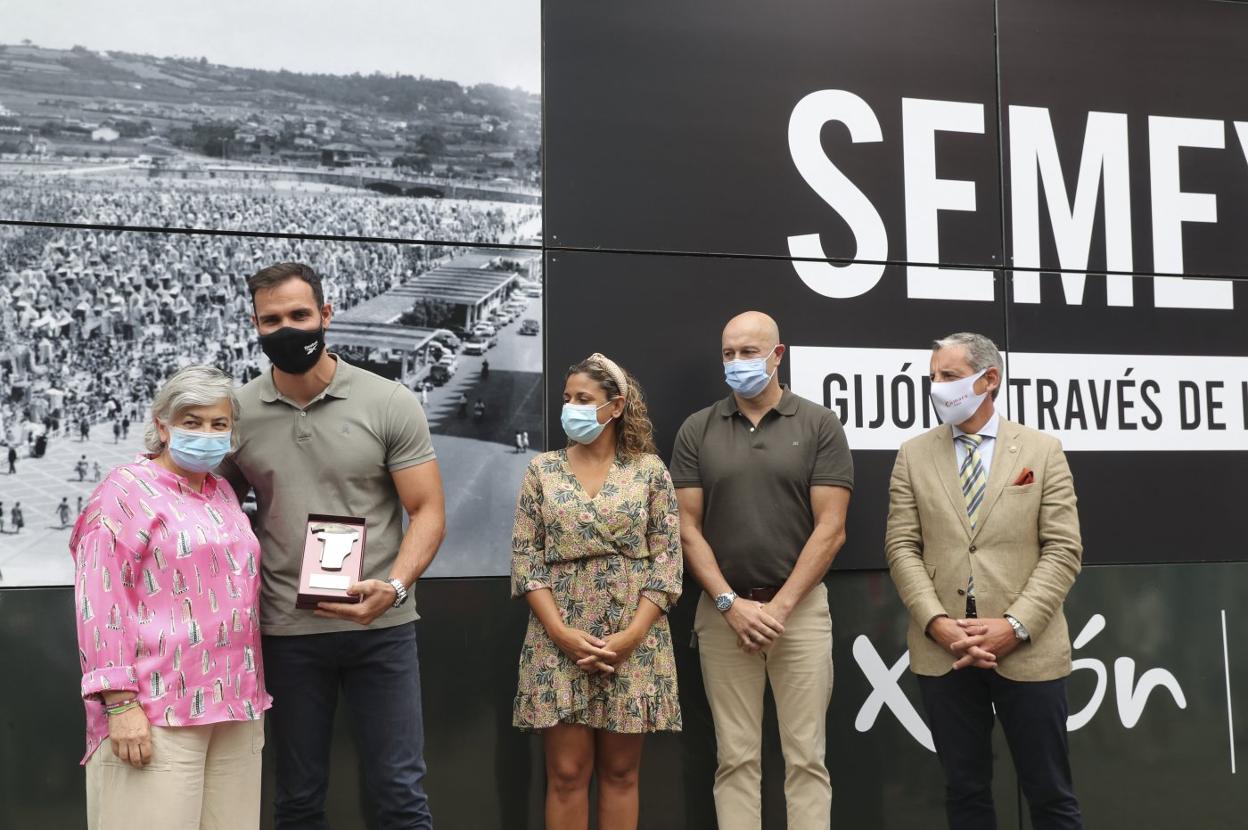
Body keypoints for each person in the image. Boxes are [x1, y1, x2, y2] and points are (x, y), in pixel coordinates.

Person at [218, 262, 446, 830]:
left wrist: (392, 588)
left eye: (299, 314)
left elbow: (428, 512)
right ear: (255, 325)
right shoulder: (237, 414)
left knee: (400, 796)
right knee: (297, 800)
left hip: (382, 630)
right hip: (286, 634)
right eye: (272, 319)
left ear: (325, 315)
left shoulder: (389, 401)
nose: (288, 328)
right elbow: (206, 511)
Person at [885, 332, 1083, 829]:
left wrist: (1013, 626)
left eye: (948, 376)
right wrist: (938, 624)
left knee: (1051, 795)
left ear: (988, 379)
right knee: (966, 794)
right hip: (945, 654)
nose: (937, 387)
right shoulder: (912, 454)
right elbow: (901, 547)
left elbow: (1063, 550)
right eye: (932, 377)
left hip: (1029, 650)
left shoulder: (1042, 450)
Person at [670, 311, 852, 830]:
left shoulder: (819, 424)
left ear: (778, 355)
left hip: (800, 614)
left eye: (749, 352)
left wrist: (779, 608)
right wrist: (731, 605)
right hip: (723, 615)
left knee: (807, 760)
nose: (736, 362)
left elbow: (831, 529)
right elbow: (686, 529)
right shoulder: (697, 428)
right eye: (728, 353)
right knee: (735, 759)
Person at [71, 365, 271, 830]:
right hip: (156, 710)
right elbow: (100, 603)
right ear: (162, 425)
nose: (207, 433)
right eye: (192, 422)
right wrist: (120, 705)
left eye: (219, 424)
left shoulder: (221, 491)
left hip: (236, 705)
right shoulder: (123, 492)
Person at [511, 353, 682, 830]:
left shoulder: (649, 471)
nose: (572, 408)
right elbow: (526, 561)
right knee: (565, 774)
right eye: (567, 399)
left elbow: (668, 562)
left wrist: (631, 636)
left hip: (634, 641)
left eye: (583, 399)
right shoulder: (541, 471)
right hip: (558, 640)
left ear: (616, 406)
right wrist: (561, 633)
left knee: (622, 772)